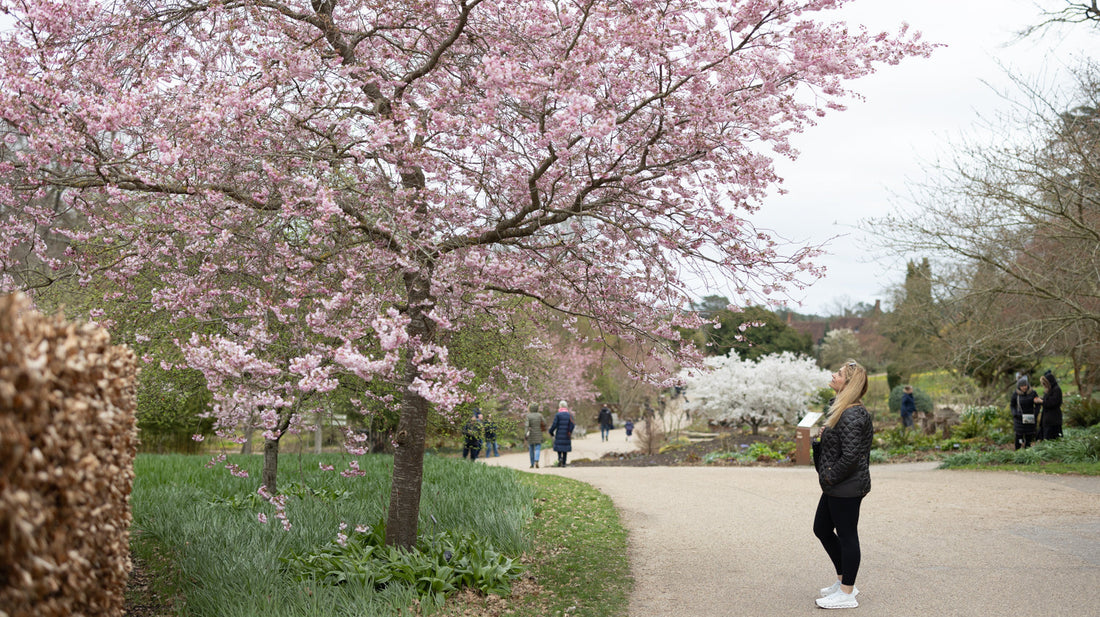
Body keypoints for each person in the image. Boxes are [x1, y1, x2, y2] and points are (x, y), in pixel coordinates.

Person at [812, 360, 873, 610]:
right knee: (822, 529)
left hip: (845, 486)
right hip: (837, 485)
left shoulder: (851, 415)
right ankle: (842, 581)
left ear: (848, 384)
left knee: (847, 536)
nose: (833, 376)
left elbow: (850, 457)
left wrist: (828, 476)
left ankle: (848, 593)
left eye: (838, 374)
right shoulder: (842, 409)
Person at [1010, 376, 1039, 450]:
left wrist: (1035, 413)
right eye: (1022, 386)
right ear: (1019, 387)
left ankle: (1027, 451)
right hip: (1019, 419)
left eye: (1025, 385)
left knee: (1029, 436)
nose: (1024, 387)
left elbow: (1038, 404)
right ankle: (1017, 450)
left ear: (1028, 385)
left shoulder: (1033, 393)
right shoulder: (1016, 394)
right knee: (1019, 436)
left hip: (1030, 418)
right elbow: (1012, 405)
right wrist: (1015, 414)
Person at [1036, 370, 1063, 441]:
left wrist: (1041, 401)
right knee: (1045, 438)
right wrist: (1040, 399)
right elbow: (1047, 399)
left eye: (1045, 384)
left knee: (1053, 439)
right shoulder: (1049, 390)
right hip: (1047, 419)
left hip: (1054, 420)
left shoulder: (1056, 390)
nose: (1044, 386)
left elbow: (1052, 403)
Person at [548, 400, 575, 467]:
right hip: (566, 434)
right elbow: (573, 424)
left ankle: (560, 458)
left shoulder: (558, 415)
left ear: (560, 406)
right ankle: (564, 463)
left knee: (559, 448)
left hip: (559, 433)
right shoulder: (569, 415)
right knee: (565, 449)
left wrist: (551, 431)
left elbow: (554, 424)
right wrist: (570, 431)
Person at [525, 402, 547, 468]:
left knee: (531, 449)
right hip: (538, 433)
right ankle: (536, 460)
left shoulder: (528, 416)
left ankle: (532, 464)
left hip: (531, 433)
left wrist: (525, 434)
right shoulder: (540, 415)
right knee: (538, 448)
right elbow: (545, 423)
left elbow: (526, 425)